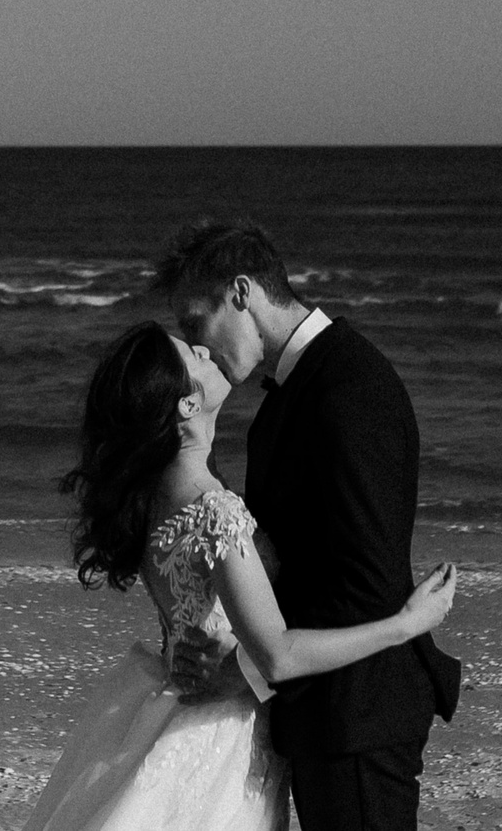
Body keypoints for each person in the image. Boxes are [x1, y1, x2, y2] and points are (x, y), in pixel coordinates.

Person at [23, 320, 456, 831]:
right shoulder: (215, 510)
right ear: (187, 405)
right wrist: (404, 624)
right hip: (218, 735)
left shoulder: (150, 497)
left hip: (169, 710)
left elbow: (187, 613)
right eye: (195, 357)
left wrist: (180, 650)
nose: (207, 348)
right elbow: (277, 655)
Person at [160, 221, 461, 831]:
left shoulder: (348, 390)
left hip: (358, 715)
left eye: (196, 323)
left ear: (241, 292)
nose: (198, 348)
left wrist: (247, 668)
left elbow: (361, 579)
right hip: (328, 713)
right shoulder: (304, 389)